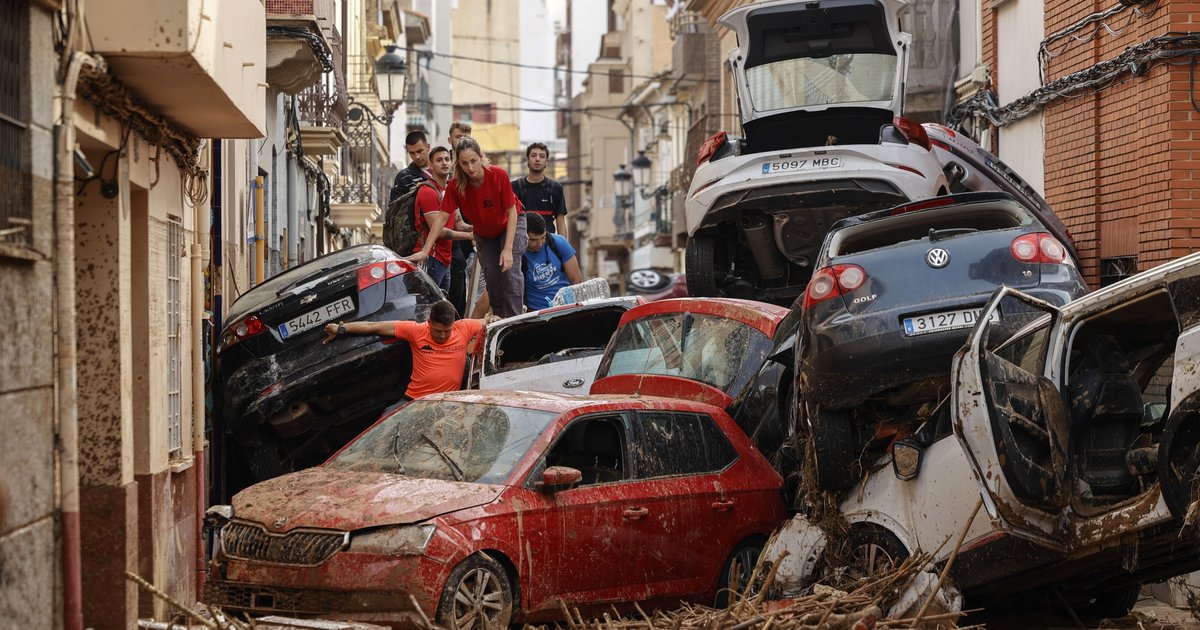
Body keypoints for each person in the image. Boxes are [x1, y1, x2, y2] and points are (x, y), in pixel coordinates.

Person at [322, 300, 497, 400]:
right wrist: (340, 328)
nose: (443, 336)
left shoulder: (463, 327)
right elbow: (374, 326)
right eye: (438, 331)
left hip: (446, 402)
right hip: (414, 401)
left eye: (447, 331)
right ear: (429, 322)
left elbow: (491, 321)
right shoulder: (416, 330)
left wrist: (493, 318)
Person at [442, 137, 528, 318]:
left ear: (481, 157)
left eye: (473, 161)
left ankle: (515, 319)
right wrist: (425, 250)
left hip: (510, 223)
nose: (470, 167)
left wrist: (507, 249)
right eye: (464, 163)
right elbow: (441, 218)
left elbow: (512, 212)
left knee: (510, 272)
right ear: (458, 164)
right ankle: (499, 318)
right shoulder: (456, 185)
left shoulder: (498, 175)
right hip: (485, 233)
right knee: (492, 277)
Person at [404, 146, 463, 293]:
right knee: (428, 303)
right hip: (430, 258)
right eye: (439, 160)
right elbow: (440, 232)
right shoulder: (428, 192)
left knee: (442, 304)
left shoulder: (449, 191)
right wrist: (470, 236)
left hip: (445, 259)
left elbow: (460, 225)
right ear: (431, 165)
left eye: (447, 159)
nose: (444, 163)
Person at [522, 213, 582, 310]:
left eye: (543, 237)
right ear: (523, 236)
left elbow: (576, 281)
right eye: (533, 240)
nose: (539, 243)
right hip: (537, 311)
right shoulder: (518, 255)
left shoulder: (559, 242)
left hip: (566, 307)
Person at [512, 142, 569, 236]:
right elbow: (509, 218)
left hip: (547, 241)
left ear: (546, 162)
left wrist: (563, 244)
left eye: (542, 156)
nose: (537, 159)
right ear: (527, 160)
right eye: (533, 155)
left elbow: (561, 221)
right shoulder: (515, 187)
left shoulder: (555, 188)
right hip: (522, 242)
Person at [388, 131, 432, 206]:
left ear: (428, 147)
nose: (417, 157)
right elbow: (395, 208)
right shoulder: (403, 177)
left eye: (419, 151)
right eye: (412, 153)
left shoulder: (443, 169)